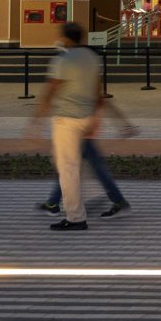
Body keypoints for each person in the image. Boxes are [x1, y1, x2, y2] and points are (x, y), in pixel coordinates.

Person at [26, 21, 103, 231]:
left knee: (67, 168)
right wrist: (96, 116)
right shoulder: (93, 58)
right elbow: (98, 89)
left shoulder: (62, 60)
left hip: (65, 121)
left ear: (66, 38)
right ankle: (86, 197)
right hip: (86, 117)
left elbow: (51, 90)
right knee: (76, 163)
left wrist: (36, 120)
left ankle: (76, 217)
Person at [38, 89, 138, 218]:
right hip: (82, 134)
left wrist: (124, 125)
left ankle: (53, 204)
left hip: (81, 134)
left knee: (71, 168)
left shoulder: (83, 86)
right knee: (83, 169)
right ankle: (52, 203)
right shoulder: (85, 85)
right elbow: (106, 104)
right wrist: (125, 125)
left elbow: (101, 103)